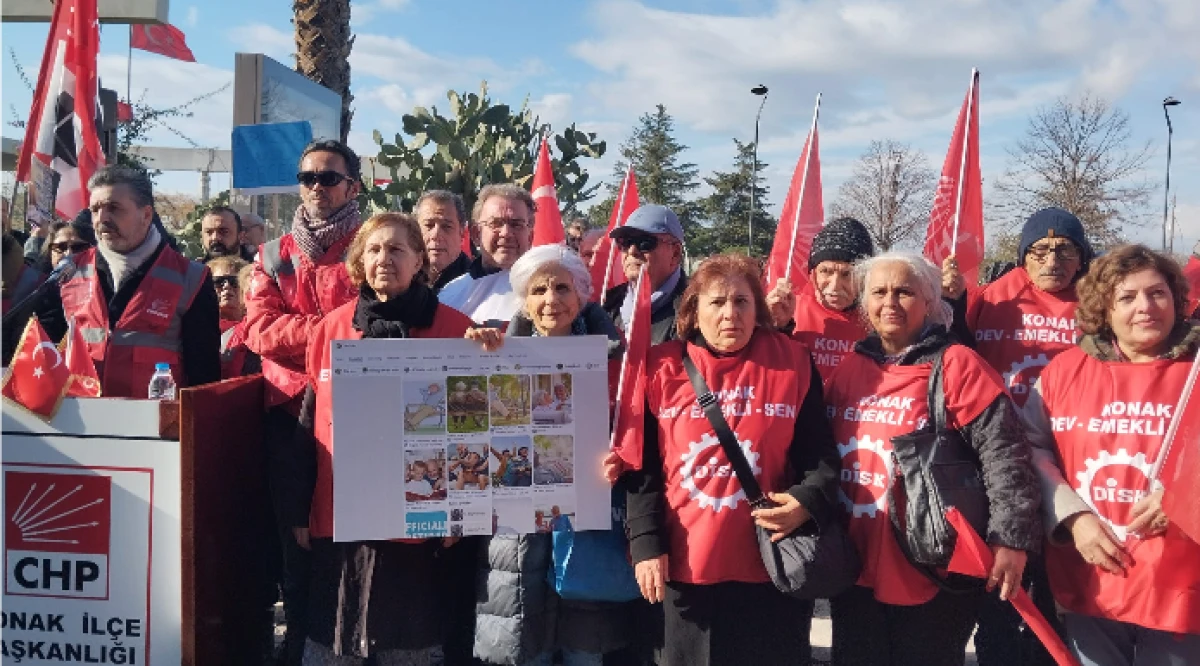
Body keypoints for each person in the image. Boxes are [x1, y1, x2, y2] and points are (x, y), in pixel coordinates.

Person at [822, 251, 1042, 665]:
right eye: (879, 292)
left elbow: (1006, 456)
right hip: (856, 562)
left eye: (904, 292)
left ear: (929, 301)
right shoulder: (852, 365)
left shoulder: (958, 364)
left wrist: (1010, 539)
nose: (890, 302)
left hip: (933, 566)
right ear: (864, 303)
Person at [620, 253, 839, 666]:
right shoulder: (661, 365)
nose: (729, 314)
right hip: (687, 565)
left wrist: (807, 500)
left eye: (741, 302)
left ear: (758, 309)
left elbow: (820, 455)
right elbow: (643, 467)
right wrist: (646, 544)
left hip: (770, 564)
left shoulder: (792, 362)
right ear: (693, 310)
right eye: (717, 302)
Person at [288, 212, 474, 664]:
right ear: (359, 260)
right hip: (339, 521)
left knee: (407, 646)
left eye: (396, 250)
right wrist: (298, 511)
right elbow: (308, 426)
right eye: (373, 249)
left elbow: (473, 432)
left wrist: (460, 514)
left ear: (418, 262)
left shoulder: (456, 329)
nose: (383, 259)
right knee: (333, 645)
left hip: (417, 529)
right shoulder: (330, 328)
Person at [1021, 244, 1200, 664]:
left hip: (1179, 580)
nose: (1146, 307)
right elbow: (1029, 447)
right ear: (1104, 308)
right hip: (1090, 571)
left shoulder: (1196, 368)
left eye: (1157, 293)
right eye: (1127, 297)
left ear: (1177, 298)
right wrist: (1071, 517)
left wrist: (1185, 493)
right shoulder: (1065, 371)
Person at [466, 244, 640, 666]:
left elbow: (637, 434)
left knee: (584, 653)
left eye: (561, 287)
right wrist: (473, 350)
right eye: (538, 289)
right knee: (528, 647)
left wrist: (622, 456)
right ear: (524, 299)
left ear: (581, 294)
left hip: (589, 525)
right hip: (520, 531)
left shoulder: (618, 363)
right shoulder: (495, 352)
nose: (550, 300)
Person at [943, 207, 1093, 664]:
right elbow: (953, 350)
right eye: (1040, 250)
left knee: (1059, 602)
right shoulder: (993, 297)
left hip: (1068, 469)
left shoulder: (1098, 304)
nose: (1053, 260)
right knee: (1002, 601)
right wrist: (952, 303)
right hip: (998, 469)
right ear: (1024, 255)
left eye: (1065, 249)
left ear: (1082, 257)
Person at [244, 138, 364, 665]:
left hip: (356, 414)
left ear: (352, 187)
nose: (317, 186)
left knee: (353, 534)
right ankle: (296, 647)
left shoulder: (371, 246)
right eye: (308, 177)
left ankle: (348, 643)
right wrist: (331, 331)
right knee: (296, 541)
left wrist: (316, 337)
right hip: (289, 414)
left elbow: (378, 323)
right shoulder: (272, 255)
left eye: (329, 178)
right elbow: (258, 330)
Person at [24, 166, 220, 396]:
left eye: (114, 209)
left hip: (154, 426)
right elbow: (42, 355)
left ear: (146, 215)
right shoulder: (68, 273)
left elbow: (204, 376)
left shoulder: (192, 278)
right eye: (95, 209)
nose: (102, 218)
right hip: (80, 421)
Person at [765, 217, 875, 380]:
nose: (836, 285)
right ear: (812, 273)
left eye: (847, 274)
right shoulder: (788, 309)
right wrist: (770, 325)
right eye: (826, 271)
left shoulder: (876, 318)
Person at [439, 183, 535, 326]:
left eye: (516, 224)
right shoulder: (450, 294)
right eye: (496, 223)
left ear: (530, 236)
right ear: (476, 234)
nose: (506, 233)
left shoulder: (549, 293)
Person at [602, 204, 689, 344]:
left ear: (675, 253)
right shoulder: (606, 305)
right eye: (625, 242)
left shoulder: (698, 307)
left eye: (644, 243)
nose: (631, 251)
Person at [207, 256, 261, 379]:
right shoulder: (198, 330)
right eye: (218, 282)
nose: (226, 286)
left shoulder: (259, 329)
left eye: (234, 282)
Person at [416, 190, 472, 291]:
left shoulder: (476, 285)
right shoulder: (402, 278)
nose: (436, 235)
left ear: (462, 233)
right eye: (429, 225)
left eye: (446, 226)